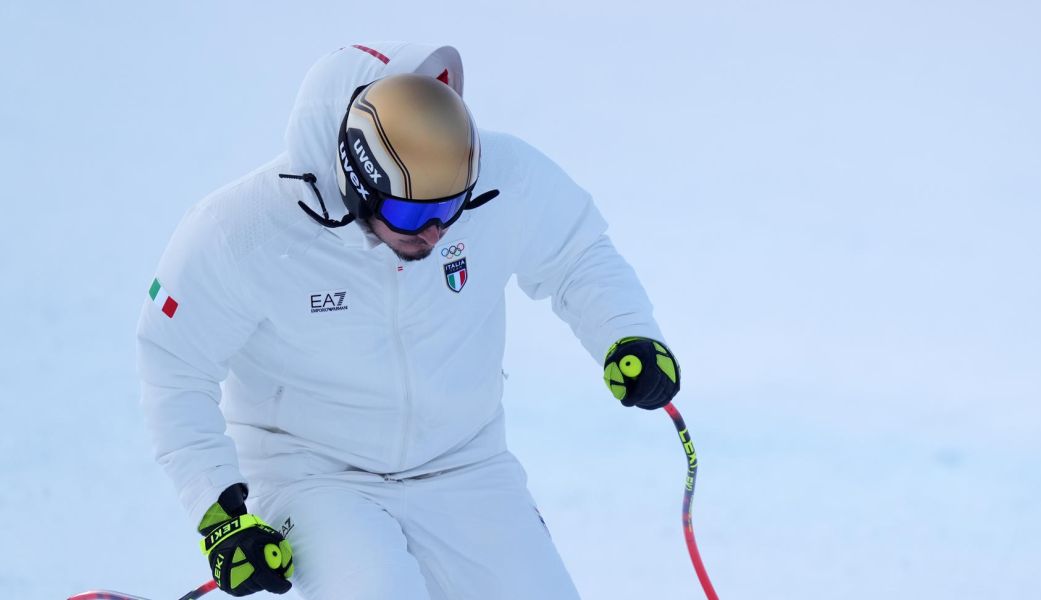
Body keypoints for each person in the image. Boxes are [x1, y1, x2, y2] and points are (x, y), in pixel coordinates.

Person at [137, 42, 681, 600]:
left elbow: (576, 254)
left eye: (449, 207)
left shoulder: (506, 175)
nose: (433, 232)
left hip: (466, 462)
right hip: (313, 475)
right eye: (410, 211)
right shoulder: (241, 229)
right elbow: (174, 367)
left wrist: (628, 334)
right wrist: (219, 513)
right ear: (358, 178)